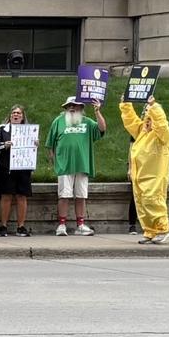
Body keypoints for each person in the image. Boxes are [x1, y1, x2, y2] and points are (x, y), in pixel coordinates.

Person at [118, 97, 169, 244]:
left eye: (149, 116)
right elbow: (131, 121)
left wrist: (153, 106)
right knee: (142, 204)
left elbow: (161, 124)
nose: (147, 119)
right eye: (146, 115)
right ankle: (150, 231)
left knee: (153, 201)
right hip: (140, 176)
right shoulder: (143, 132)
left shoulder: (165, 134)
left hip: (155, 176)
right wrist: (125, 104)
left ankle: (163, 229)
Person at [48, 96, 105, 236]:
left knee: (81, 195)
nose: (72, 107)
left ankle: (80, 225)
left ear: (81, 108)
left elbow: (102, 128)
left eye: (75, 105)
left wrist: (97, 111)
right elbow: (50, 144)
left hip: (83, 164)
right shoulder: (58, 121)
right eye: (69, 105)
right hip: (64, 165)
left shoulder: (87, 122)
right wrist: (55, 161)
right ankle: (62, 225)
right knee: (64, 195)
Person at [0, 105, 33, 238]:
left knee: (22, 196)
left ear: (23, 117)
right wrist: (4, 145)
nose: (16, 115)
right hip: (4, 167)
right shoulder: (2, 128)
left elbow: (32, 149)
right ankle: (3, 226)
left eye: (19, 113)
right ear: (10, 116)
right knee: (6, 196)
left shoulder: (29, 130)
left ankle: (21, 227)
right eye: (14, 113)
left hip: (23, 167)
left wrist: (35, 144)